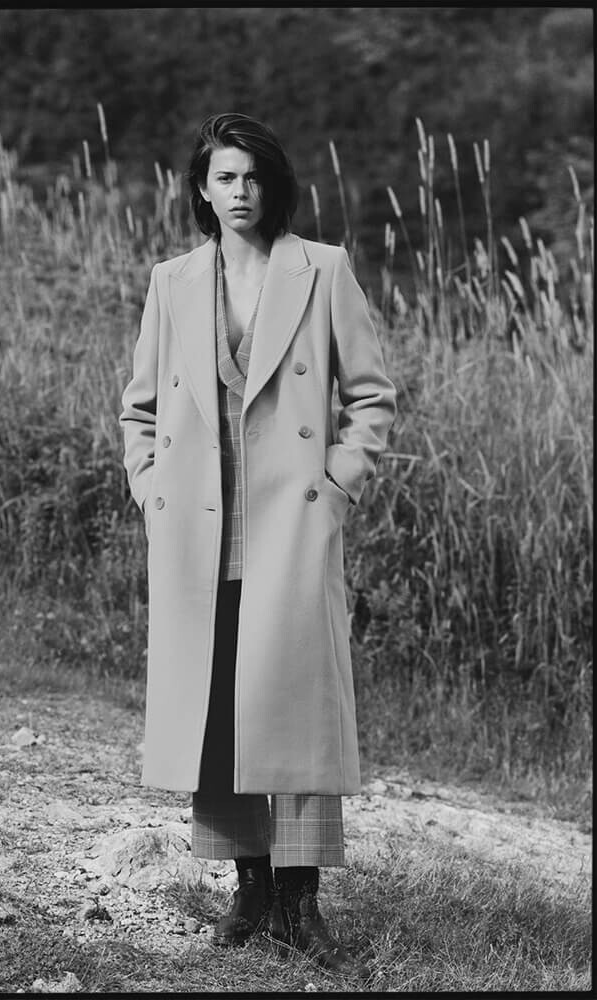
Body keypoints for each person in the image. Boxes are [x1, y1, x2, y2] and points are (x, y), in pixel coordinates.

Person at [119, 112, 396, 973]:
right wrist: (152, 490)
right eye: (224, 178)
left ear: (274, 186)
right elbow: (139, 409)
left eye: (253, 177)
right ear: (202, 191)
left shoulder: (323, 269)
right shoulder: (172, 281)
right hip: (197, 530)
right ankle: (250, 892)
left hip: (292, 524)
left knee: (297, 707)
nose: (240, 192)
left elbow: (372, 397)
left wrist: (335, 488)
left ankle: (302, 901)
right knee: (218, 715)